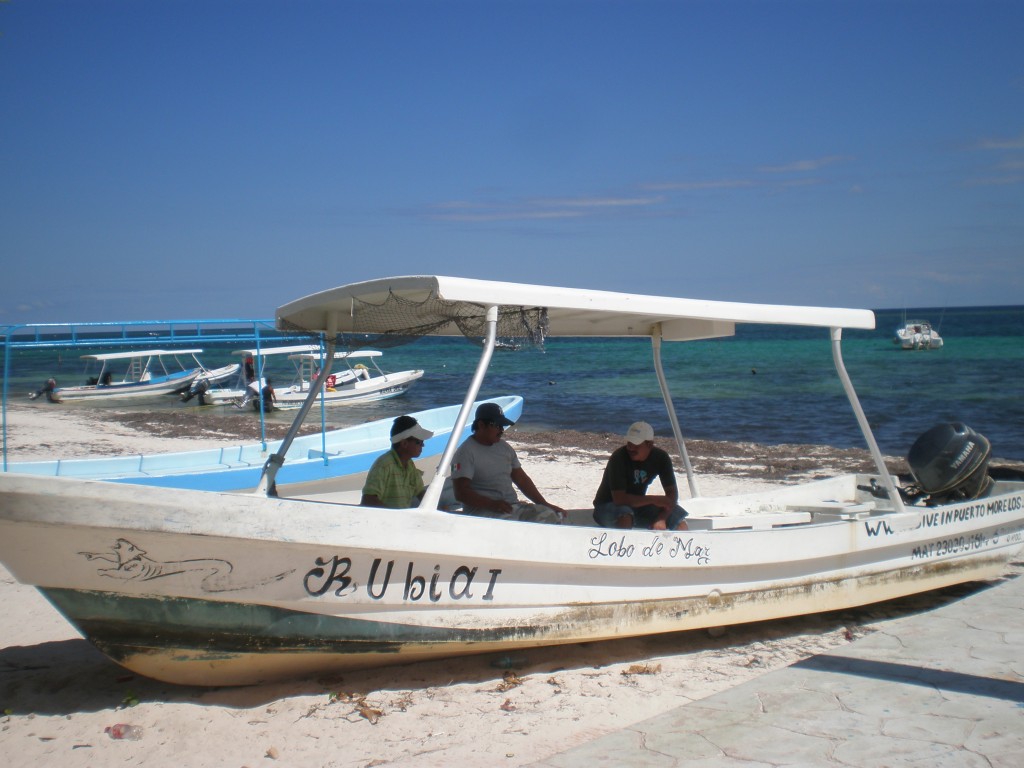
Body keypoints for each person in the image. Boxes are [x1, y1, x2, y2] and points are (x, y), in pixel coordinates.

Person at [450, 402, 565, 524]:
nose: (501, 430)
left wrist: (544, 504)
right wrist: (492, 504)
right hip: (481, 513)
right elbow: (461, 493)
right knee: (510, 525)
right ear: (481, 425)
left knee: (549, 516)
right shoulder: (464, 453)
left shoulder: (505, 448)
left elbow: (522, 480)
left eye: (502, 426)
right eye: (497, 425)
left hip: (511, 507)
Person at [593, 421, 689, 531]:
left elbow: (671, 495)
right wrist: (654, 500)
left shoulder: (661, 458)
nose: (631, 448)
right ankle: (623, 547)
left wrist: (662, 518)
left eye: (636, 444)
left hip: (637, 507)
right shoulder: (619, 457)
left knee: (678, 516)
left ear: (649, 444)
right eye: (629, 443)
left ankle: (684, 547)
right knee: (625, 513)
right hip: (607, 507)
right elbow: (619, 499)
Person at [360, 416, 435, 508]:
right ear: (404, 444)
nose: (423, 445)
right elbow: (368, 500)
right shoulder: (384, 465)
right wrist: (395, 516)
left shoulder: (410, 465)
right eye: (419, 442)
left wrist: (437, 509)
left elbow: (421, 493)